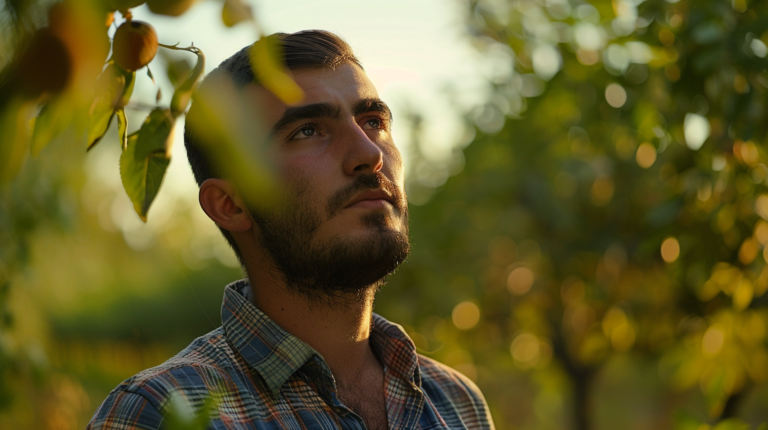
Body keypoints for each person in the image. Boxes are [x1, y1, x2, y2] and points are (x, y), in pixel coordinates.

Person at [87, 30, 494, 430]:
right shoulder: (160, 413)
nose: (369, 154)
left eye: (373, 121)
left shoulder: (458, 404)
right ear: (230, 206)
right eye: (307, 131)